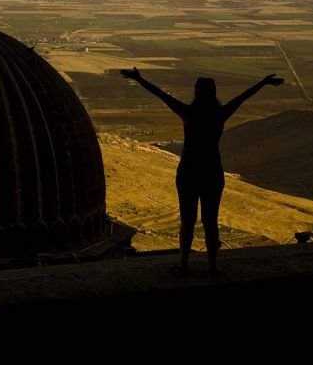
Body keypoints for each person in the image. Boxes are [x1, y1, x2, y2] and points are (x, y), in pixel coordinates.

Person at [120, 67, 284, 276]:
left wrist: (139, 79)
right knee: (211, 221)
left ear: (196, 93)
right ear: (213, 93)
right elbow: (242, 97)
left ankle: (183, 265)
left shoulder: (188, 113)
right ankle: (213, 266)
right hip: (212, 172)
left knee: (187, 221)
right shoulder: (220, 114)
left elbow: (161, 95)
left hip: (188, 171)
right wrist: (263, 82)